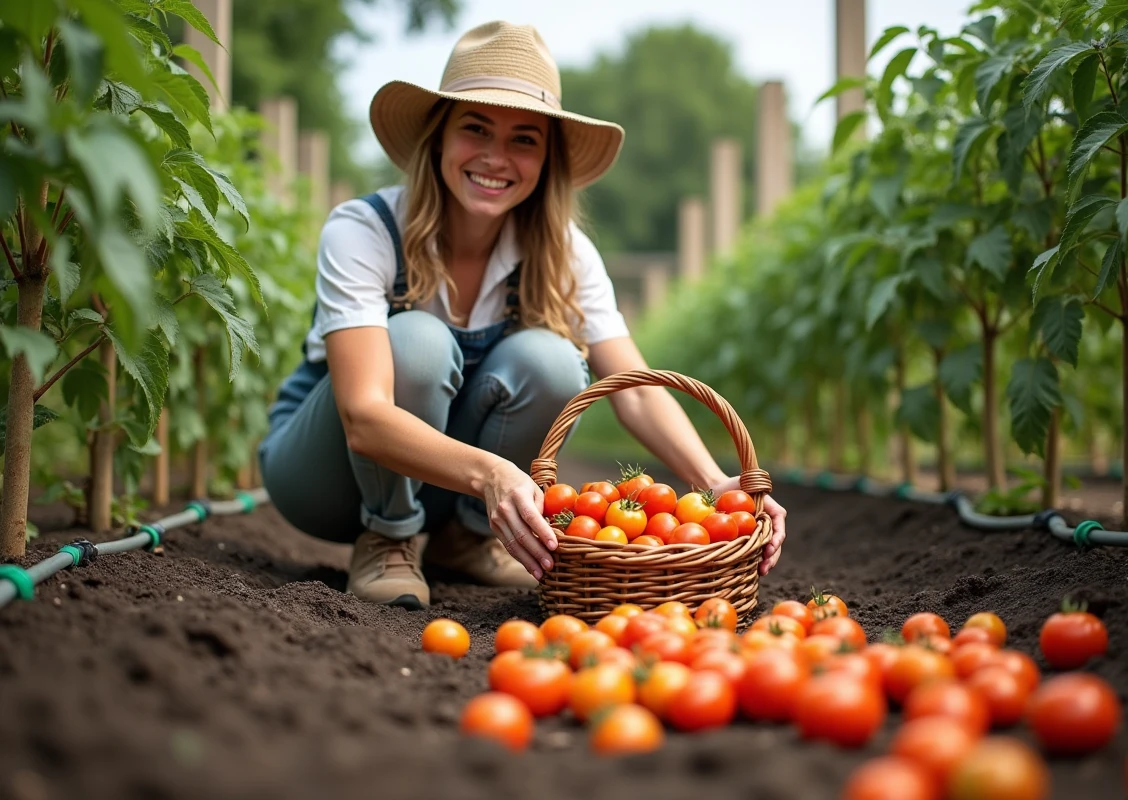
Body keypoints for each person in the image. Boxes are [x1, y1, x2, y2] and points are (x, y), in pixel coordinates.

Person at [258, 20, 787, 609]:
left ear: (546, 160)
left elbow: (633, 389)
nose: (495, 157)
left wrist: (716, 485)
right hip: (327, 477)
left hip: (453, 487)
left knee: (555, 362)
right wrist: (491, 474)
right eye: (476, 129)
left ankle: (465, 539)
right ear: (438, 138)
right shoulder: (366, 230)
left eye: (524, 139)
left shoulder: (564, 254)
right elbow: (362, 416)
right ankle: (387, 536)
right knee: (417, 343)